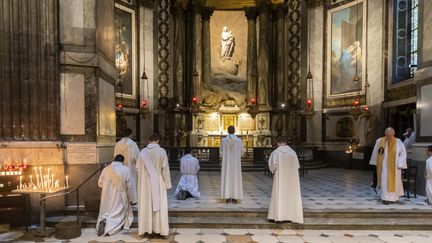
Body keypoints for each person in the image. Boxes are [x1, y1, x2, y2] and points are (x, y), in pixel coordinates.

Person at [136, 134, 172, 237]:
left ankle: (147, 229)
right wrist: (168, 184)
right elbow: (165, 169)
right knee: (159, 206)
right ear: (158, 140)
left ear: (149, 140)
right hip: (158, 180)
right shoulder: (162, 151)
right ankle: (159, 229)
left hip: (145, 183)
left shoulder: (143, 152)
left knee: (146, 204)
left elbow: (137, 168)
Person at [267, 137, 304, 224]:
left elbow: (272, 165)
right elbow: (297, 166)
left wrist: (273, 170)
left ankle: (279, 216)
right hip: (292, 179)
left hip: (280, 178)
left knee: (279, 194)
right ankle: (291, 216)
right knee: (291, 195)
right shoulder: (293, 153)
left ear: (278, 143)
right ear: (286, 142)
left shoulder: (276, 152)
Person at [96, 155, 134, 236]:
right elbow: (130, 185)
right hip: (119, 194)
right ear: (122, 161)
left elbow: (100, 183)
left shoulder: (106, 169)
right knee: (117, 212)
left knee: (107, 210)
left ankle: (104, 220)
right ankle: (110, 228)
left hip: (106, 195)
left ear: (114, 160)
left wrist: (107, 187)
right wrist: (130, 196)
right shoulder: (125, 169)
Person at [370, 127, 407, 204]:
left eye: (390, 135)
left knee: (394, 182)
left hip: (395, 167)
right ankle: (385, 198)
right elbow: (375, 152)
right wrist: (375, 162)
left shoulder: (398, 142)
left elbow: (403, 153)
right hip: (383, 166)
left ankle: (393, 198)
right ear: (385, 134)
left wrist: (400, 164)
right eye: (387, 135)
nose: (388, 137)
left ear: (393, 134)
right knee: (384, 181)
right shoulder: (379, 141)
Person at [114, 128, 140, 204]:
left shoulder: (118, 144)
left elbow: (115, 155)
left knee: (122, 181)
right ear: (130, 134)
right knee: (131, 182)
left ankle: (122, 200)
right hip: (130, 166)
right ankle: (132, 199)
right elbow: (137, 156)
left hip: (120, 166)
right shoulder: (132, 144)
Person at [220, 125, 244, 203]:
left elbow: (221, 153)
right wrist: (236, 157)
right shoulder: (239, 140)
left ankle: (227, 197)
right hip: (235, 164)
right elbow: (242, 152)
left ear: (227, 131)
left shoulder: (223, 140)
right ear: (234, 131)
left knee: (227, 177)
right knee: (235, 178)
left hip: (227, 164)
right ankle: (235, 197)